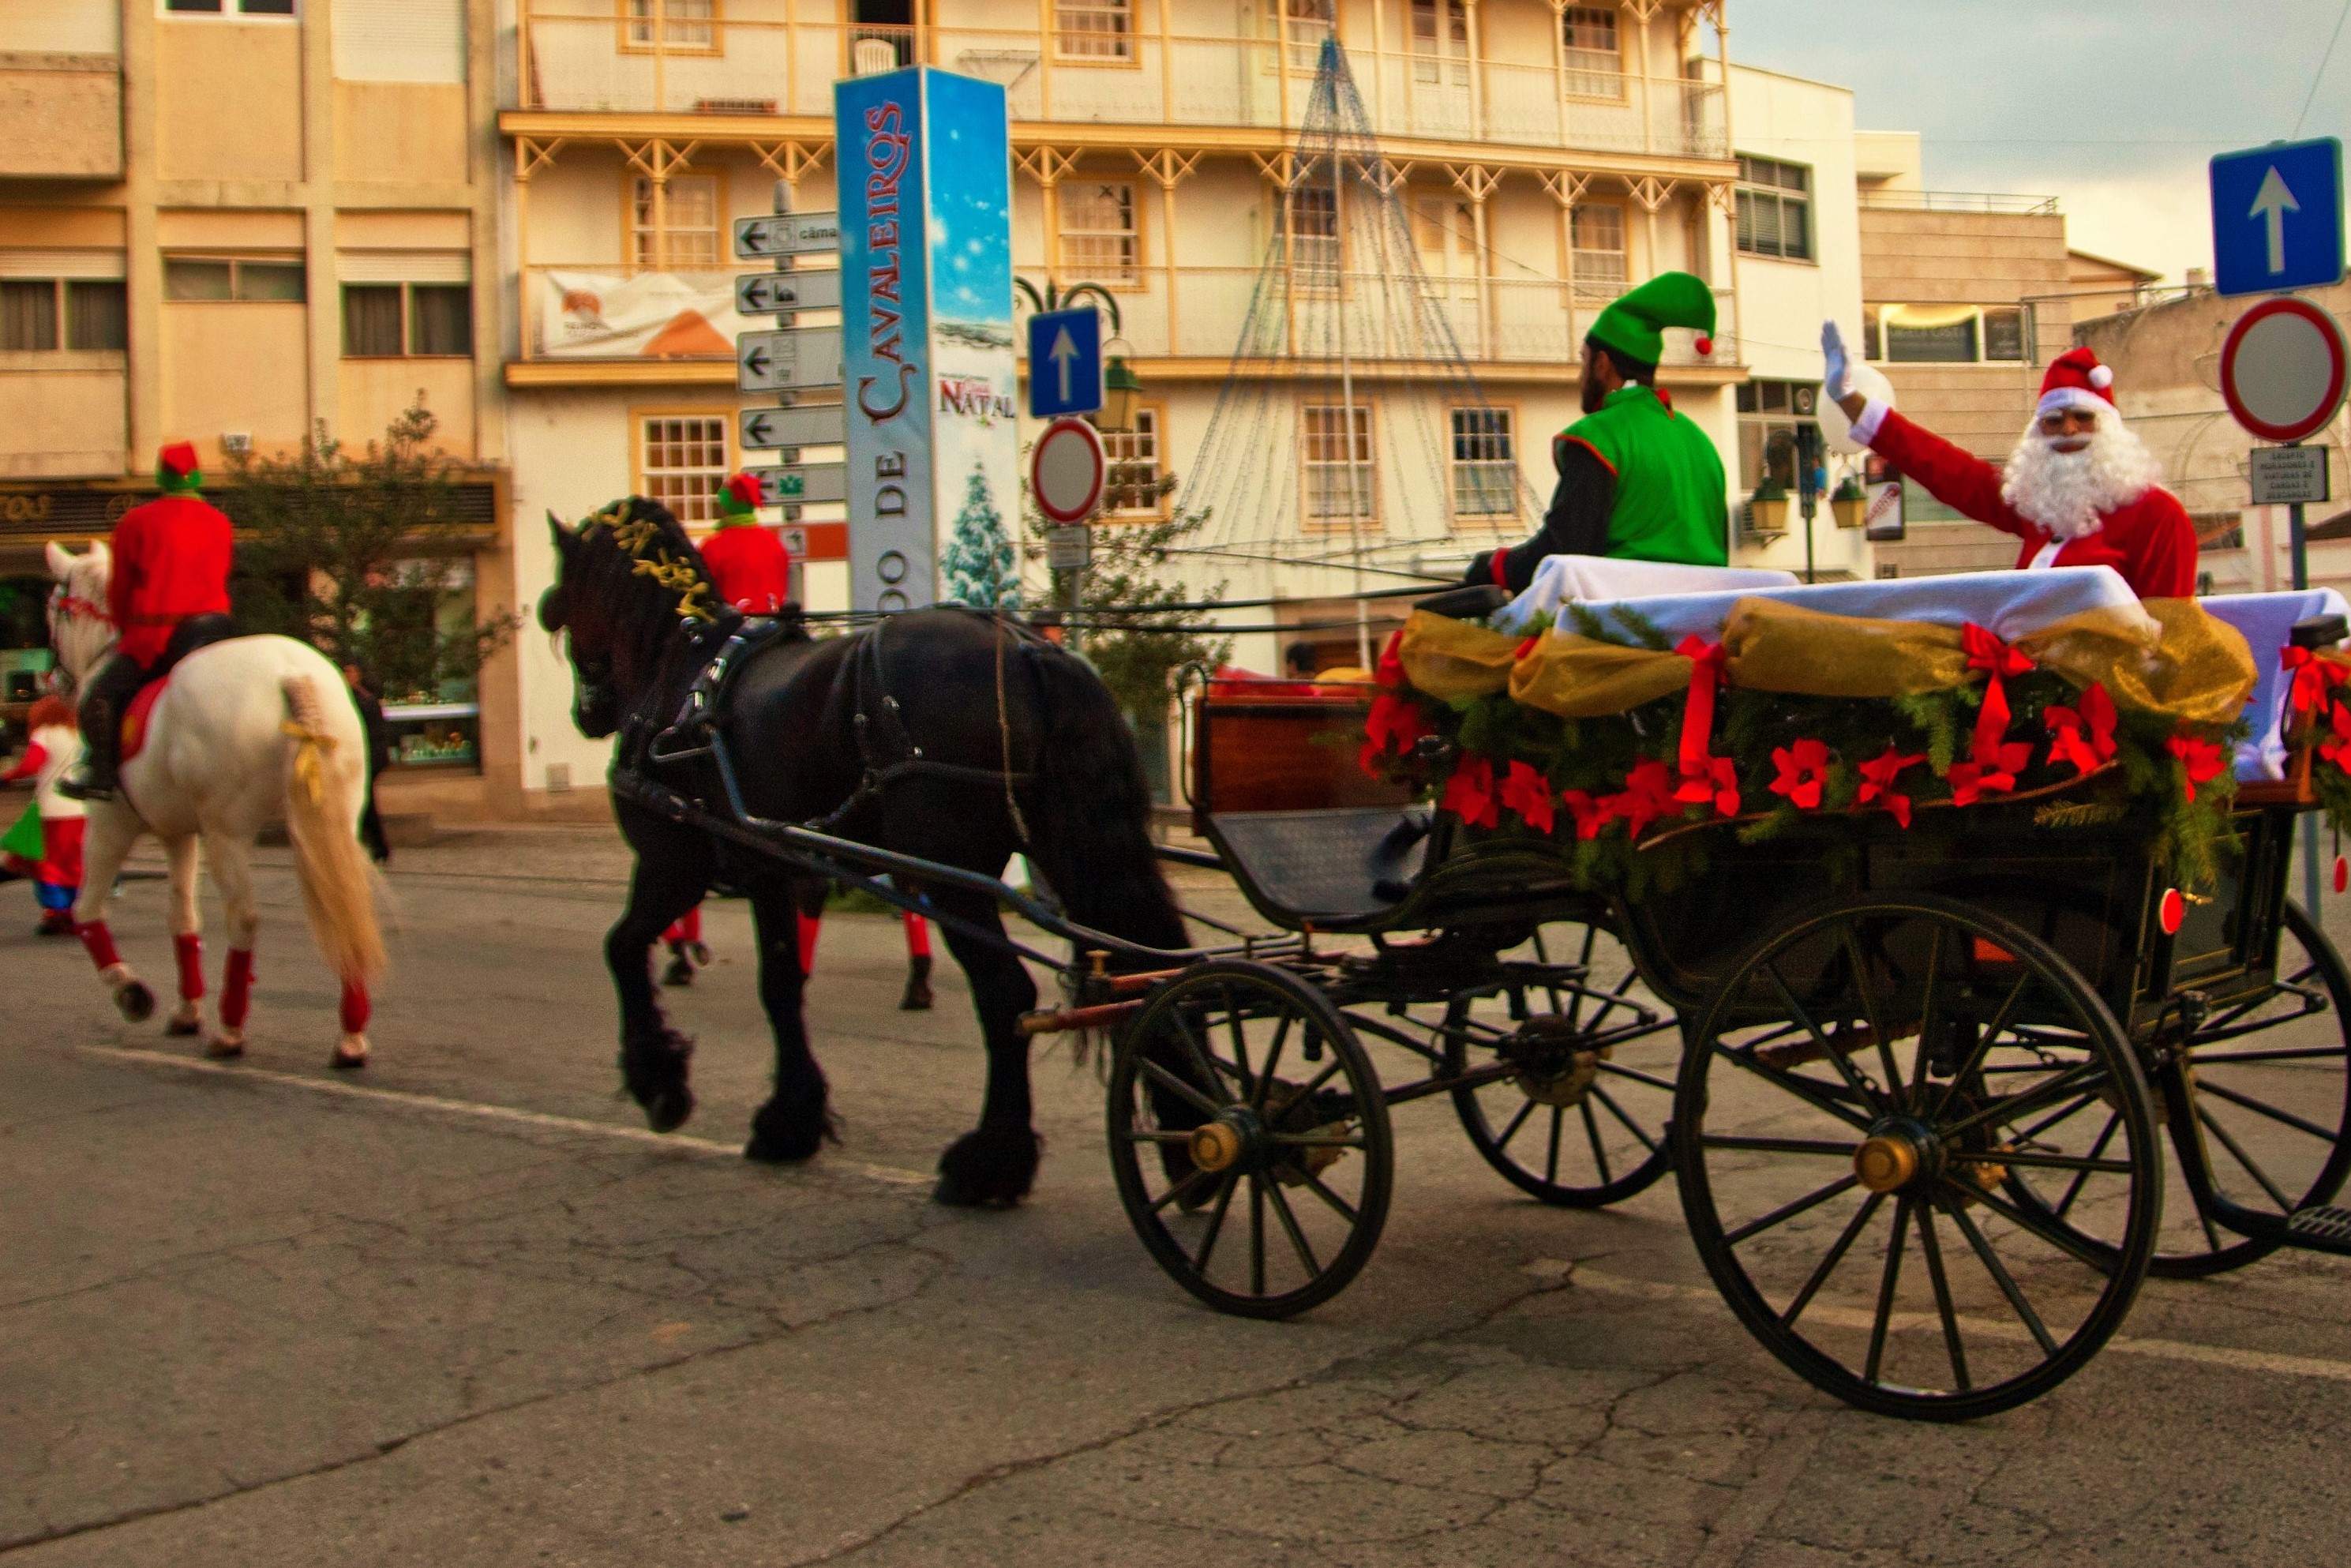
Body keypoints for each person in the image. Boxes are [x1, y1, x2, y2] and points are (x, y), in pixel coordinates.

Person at [1822, 327, 2195, 598]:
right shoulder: (2041, 505)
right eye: (2054, 420)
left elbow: (2171, 637)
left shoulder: (2158, 515)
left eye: (2083, 416)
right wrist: (1850, 401)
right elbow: (1947, 470)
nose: (2069, 429)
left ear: (2108, 426)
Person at [1464, 271, 1729, 593]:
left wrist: (1493, 566)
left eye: (1583, 362)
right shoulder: (1701, 443)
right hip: (1704, 620)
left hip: (1627, 617)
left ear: (1602, 365)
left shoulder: (1598, 436)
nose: (1580, 377)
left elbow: (1566, 550)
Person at [60, 441, 236, 801]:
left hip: (159, 638)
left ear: (161, 476)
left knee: (100, 695)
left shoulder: (137, 522)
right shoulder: (220, 522)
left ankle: (100, 771)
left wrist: (127, 629)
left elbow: (121, 589)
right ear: (198, 475)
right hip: (216, 633)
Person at [1, 696, 87, 936]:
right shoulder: (79, 734)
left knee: (48, 864)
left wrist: (9, 776)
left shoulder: (45, 732)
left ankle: (55, 911)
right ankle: (75, 911)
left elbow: (31, 764)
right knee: (75, 864)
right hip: (81, 811)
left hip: (52, 812)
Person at [699, 471, 792, 613]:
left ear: (727, 507)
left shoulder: (714, 546)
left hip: (733, 629)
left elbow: (703, 593)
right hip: (773, 627)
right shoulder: (773, 543)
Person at [343, 662, 393, 864]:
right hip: (364, 757)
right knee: (364, 802)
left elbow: (370, 733)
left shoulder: (363, 699)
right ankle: (376, 847)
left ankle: (377, 846)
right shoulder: (354, 697)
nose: (347, 675)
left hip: (369, 757)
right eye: (345, 671)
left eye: (350, 672)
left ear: (358, 675)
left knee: (364, 802)